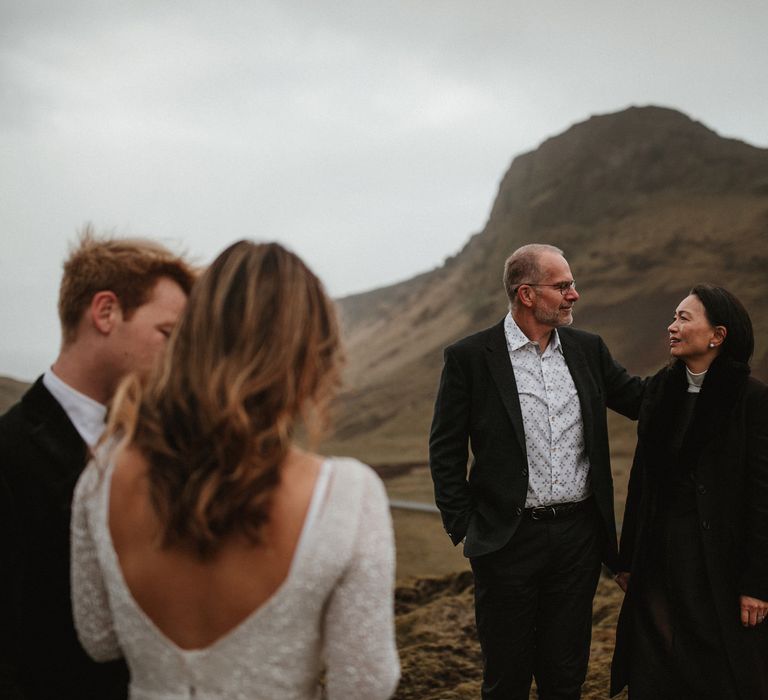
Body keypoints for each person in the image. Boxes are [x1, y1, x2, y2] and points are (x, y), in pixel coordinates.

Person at [69, 240, 400, 700]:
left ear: (190, 339)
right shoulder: (345, 493)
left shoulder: (101, 480)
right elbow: (363, 684)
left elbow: (100, 640)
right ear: (310, 354)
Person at [429, 243, 644, 699]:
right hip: (506, 542)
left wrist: (704, 372)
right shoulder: (470, 357)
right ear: (527, 294)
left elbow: (641, 400)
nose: (574, 294)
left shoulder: (588, 350)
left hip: (577, 542)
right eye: (562, 285)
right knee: (506, 677)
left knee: (565, 675)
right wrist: (466, 526)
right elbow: (445, 449)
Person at [0, 231, 195, 700]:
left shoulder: (166, 452)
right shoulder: (7, 454)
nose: (178, 357)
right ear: (106, 312)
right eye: (167, 335)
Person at [611, 285, 768, 699]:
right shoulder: (661, 391)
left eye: (684, 318)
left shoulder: (752, 399)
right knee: (655, 667)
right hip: (659, 559)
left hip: (719, 565)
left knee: (720, 672)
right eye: (673, 317)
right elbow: (642, 482)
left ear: (717, 335)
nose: (672, 326)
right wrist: (629, 558)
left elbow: (762, 497)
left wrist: (757, 583)